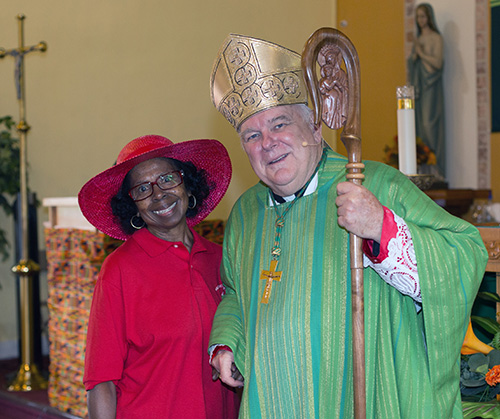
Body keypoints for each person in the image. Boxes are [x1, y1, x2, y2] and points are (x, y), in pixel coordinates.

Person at [208, 34, 487, 418]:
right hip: (273, 401)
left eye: (279, 125)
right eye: (252, 136)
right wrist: (227, 342)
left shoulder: (373, 184)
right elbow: (237, 293)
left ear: (316, 129)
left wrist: (381, 228)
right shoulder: (245, 213)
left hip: (364, 397)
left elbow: (464, 251)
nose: (267, 143)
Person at [78, 135, 239, 418]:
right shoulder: (119, 270)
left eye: (167, 179)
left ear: (187, 184)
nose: (158, 194)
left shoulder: (221, 259)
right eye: (142, 188)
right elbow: (101, 381)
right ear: (133, 206)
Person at [408, 3, 445, 179]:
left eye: (422, 16)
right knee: (419, 127)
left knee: (430, 126)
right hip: (419, 87)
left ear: (429, 17)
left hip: (431, 87)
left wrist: (421, 55)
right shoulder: (418, 39)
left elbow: (438, 63)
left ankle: (435, 167)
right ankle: (424, 167)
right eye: (418, 17)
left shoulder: (436, 38)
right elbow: (413, 65)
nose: (420, 20)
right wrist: (414, 58)